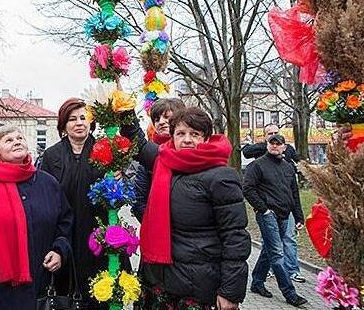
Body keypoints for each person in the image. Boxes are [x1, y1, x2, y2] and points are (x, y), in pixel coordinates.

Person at [121, 106, 251, 310]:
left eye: (195, 134)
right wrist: (123, 106)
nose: (187, 139)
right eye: (181, 133)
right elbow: (135, 140)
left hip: (196, 289)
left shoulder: (221, 177)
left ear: (206, 138)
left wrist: (230, 292)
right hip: (158, 282)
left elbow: (235, 237)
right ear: (172, 137)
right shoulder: (164, 160)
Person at [0, 125, 73, 310]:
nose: (17, 141)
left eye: (20, 138)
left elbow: (65, 221)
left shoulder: (47, 183)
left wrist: (59, 250)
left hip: (39, 286)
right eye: (8, 140)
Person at [37, 97, 115, 309]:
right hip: (63, 233)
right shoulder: (52, 155)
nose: (79, 123)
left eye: (83, 118)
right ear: (64, 125)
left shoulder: (105, 151)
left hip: (97, 233)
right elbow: (45, 196)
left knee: (99, 292)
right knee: (65, 295)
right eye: (72, 119)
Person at [243, 133, 308, 307]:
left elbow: (294, 193)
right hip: (268, 216)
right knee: (277, 254)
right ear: (267, 145)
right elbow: (248, 189)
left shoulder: (288, 167)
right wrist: (264, 210)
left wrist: (299, 216)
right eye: (272, 143)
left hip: (284, 215)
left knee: (268, 251)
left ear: (284, 147)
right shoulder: (257, 166)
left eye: (278, 144)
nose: (275, 146)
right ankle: (290, 293)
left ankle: (257, 282)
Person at [132, 98, 185, 221]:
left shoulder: (192, 149)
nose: (161, 122)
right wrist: (155, 224)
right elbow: (139, 201)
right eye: (157, 119)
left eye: (167, 117)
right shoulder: (148, 156)